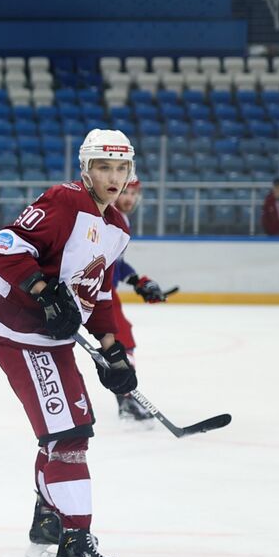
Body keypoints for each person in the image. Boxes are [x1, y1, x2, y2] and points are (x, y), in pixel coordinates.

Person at [0, 129, 139, 557]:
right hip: (19, 333)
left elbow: (98, 293)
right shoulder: (63, 201)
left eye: (121, 168)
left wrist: (112, 349)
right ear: (86, 168)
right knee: (69, 435)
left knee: (64, 431)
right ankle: (75, 549)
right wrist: (43, 293)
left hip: (49, 340)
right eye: (103, 167)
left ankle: (49, 522)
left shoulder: (118, 229)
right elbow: (4, 248)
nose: (113, 176)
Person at [106, 177, 170, 423]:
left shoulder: (121, 219)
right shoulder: (108, 217)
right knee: (121, 339)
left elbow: (116, 264)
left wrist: (138, 282)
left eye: (134, 193)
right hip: (97, 291)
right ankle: (126, 398)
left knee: (120, 340)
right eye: (126, 192)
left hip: (103, 291)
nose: (130, 199)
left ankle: (124, 396)